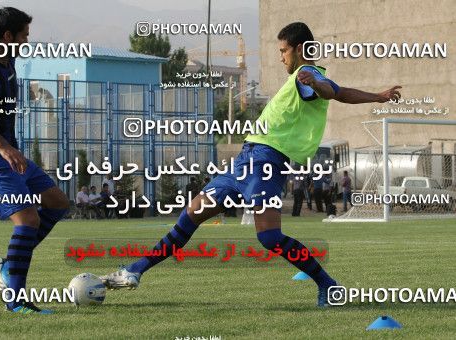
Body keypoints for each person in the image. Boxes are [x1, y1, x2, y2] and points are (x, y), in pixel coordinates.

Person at [101, 22, 401, 307]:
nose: (280, 56)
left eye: (283, 50)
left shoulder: (305, 73)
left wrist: (316, 83)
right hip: (246, 160)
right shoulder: (301, 76)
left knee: (269, 237)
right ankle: (134, 270)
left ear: (298, 48)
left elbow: (329, 90)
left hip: (267, 161)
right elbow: (342, 91)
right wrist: (377, 96)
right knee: (191, 214)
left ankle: (328, 285)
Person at [0, 7, 69, 314]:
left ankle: (9, 264)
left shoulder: (8, 63)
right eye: (24, 35)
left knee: (58, 202)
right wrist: (3, 147)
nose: (26, 40)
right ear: (7, 36)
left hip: (11, 155)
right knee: (27, 220)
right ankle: (15, 301)